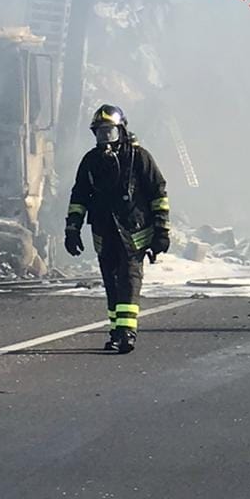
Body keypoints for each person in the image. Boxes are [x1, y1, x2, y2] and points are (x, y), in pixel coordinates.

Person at [64, 105, 170, 354]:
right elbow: (79, 197)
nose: (104, 138)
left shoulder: (139, 157)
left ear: (121, 130)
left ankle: (127, 333)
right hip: (104, 232)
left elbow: (158, 194)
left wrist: (162, 231)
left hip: (134, 232)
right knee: (111, 282)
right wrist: (72, 229)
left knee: (129, 280)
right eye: (100, 133)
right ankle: (116, 332)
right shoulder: (91, 161)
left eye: (109, 132)